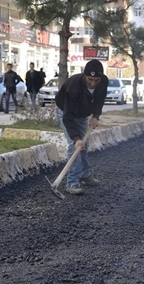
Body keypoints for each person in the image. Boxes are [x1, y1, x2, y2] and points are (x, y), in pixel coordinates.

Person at [54, 59, 108, 195]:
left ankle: (85, 175)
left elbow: (100, 100)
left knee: (84, 145)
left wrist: (96, 116)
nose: (93, 83)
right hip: (65, 113)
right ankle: (71, 183)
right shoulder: (74, 87)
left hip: (83, 115)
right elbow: (67, 117)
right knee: (75, 145)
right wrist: (76, 138)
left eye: (96, 80)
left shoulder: (103, 81)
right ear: (85, 76)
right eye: (90, 79)